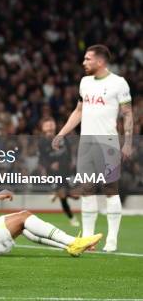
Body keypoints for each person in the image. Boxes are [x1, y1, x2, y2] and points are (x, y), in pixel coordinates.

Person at [52, 44, 133, 252]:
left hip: (108, 143)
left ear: (100, 61)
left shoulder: (118, 83)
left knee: (110, 191)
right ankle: (88, 240)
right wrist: (62, 132)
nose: (83, 62)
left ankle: (112, 240)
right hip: (86, 143)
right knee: (86, 190)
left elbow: (127, 114)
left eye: (88, 59)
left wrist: (128, 142)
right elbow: (79, 111)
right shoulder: (85, 82)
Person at [38, 117, 79, 227]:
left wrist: (71, 162)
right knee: (63, 197)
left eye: (51, 124)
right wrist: (49, 165)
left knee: (76, 195)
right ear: (43, 128)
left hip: (67, 170)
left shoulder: (62, 138)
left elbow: (69, 151)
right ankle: (72, 218)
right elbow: (42, 159)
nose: (50, 127)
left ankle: (56, 193)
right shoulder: (42, 142)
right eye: (47, 125)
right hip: (54, 173)